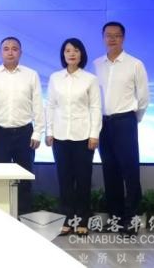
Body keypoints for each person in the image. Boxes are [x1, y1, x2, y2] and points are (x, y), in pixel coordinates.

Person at [94, 22, 149, 233]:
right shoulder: (97, 64)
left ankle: (131, 220)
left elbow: (143, 98)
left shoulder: (135, 64)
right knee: (110, 172)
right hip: (103, 123)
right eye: (108, 35)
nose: (112, 39)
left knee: (130, 171)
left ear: (123, 38)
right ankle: (115, 219)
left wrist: (133, 119)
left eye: (116, 35)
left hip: (125, 121)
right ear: (103, 38)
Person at [45, 38, 102, 236]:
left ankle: (82, 220)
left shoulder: (90, 79)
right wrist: (49, 132)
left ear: (81, 54)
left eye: (76, 50)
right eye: (68, 50)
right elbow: (51, 105)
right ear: (63, 54)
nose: (72, 54)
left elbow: (95, 107)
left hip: (83, 137)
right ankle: (67, 220)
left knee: (83, 180)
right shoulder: (55, 78)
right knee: (65, 180)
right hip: (60, 136)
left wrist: (94, 134)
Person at [0, 37, 44, 215]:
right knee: (0, 178)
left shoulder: (31, 75)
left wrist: (38, 132)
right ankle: (2, 215)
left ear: (20, 52)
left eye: (14, 49)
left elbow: (38, 105)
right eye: (6, 49)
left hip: (25, 133)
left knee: (24, 178)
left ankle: (23, 216)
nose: (10, 52)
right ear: (0, 52)